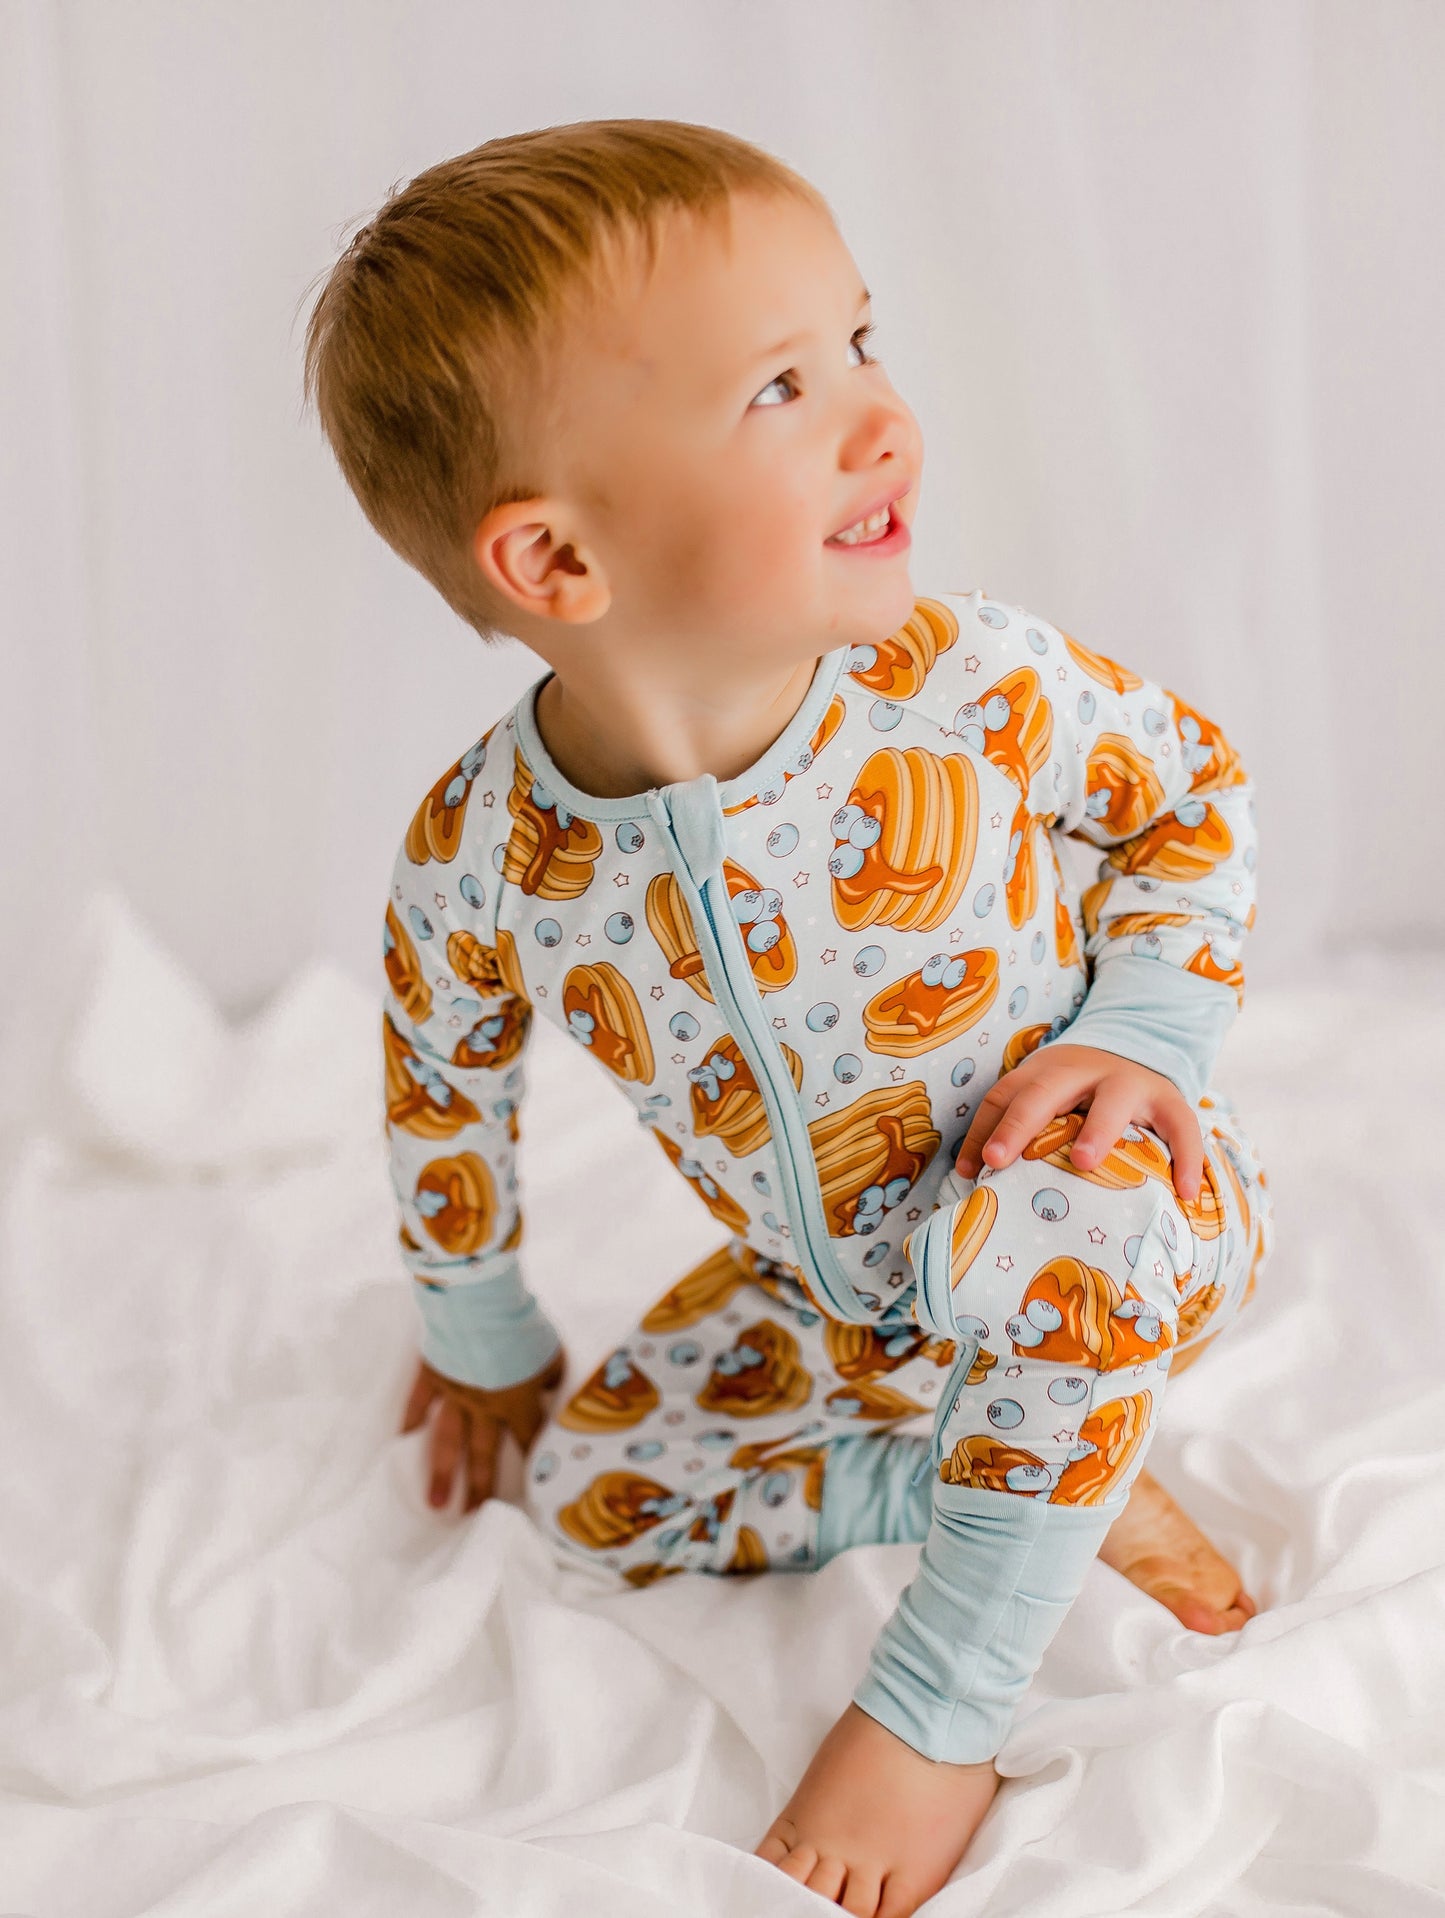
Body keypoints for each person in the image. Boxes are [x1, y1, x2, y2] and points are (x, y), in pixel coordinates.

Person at [301, 117, 1274, 1917]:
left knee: (1079, 1227)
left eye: (860, 341)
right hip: (829, 1301)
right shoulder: (486, 854)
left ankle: (944, 1692)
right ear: (557, 565)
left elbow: (1186, 797)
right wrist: (482, 1319)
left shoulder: (961, 684)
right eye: (778, 390)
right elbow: (442, 1068)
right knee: (593, 1501)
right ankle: (1010, 1482)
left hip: (1096, 1203)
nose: (880, 415)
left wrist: (1141, 1031)